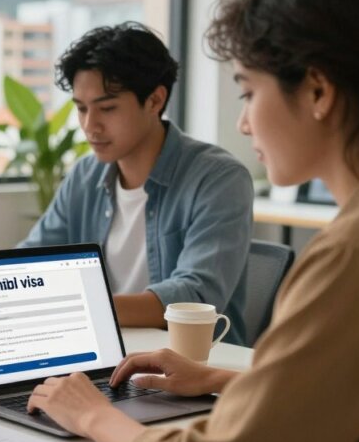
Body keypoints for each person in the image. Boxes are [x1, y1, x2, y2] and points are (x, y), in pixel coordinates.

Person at [26, 0, 359, 442]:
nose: (245, 124)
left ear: (318, 91)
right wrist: (220, 379)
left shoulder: (357, 255)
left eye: (248, 92)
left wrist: (90, 415)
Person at [20, 23, 251, 341]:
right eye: (82, 109)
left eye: (107, 108)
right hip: (104, 352)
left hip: (193, 369)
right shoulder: (84, 176)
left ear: (155, 100)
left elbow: (195, 297)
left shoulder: (218, 179)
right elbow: (30, 263)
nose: (90, 126)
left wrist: (83, 308)